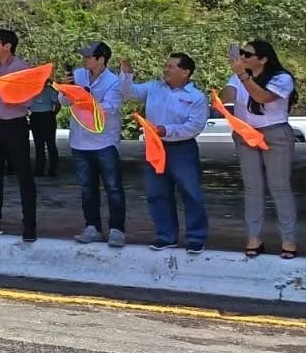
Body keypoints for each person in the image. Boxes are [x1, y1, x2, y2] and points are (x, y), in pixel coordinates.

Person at [121, 52, 209, 254]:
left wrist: (166, 130)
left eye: (171, 66)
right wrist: (126, 74)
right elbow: (129, 93)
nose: (166, 70)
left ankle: (196, 238)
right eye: (166, 66)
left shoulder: (196, 97)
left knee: (191, 193)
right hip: (155, 147)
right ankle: (166, 236)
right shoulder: (154, 87)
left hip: (182, 148)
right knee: (157, 193)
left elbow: (194, 127)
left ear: (186, 72)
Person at [221, 39, 298, 259]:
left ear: (263, 59)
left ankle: (288, 241)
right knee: (253, 188)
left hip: (274, 133)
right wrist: (232, 79)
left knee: (279, 187)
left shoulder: (281, 78)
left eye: (247, 54)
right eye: (241, 53)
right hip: (246, 134)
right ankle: (254, 238)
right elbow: (228, 96)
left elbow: (262, 97)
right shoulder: (239, 74)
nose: (243, 57)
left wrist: (243, 76)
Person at [0, 29, 39, 242]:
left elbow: (30, 99)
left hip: (15, 126)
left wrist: (12, 95)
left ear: (7, 45)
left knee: (24, 176)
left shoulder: (22, 69)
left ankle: (29, 225)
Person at [64, 41, 127, 248]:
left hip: (105, 141)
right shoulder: (78, 74)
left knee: (113, 187)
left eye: (89, 56)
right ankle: (92, 227)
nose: (85, 60)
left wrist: (82, 99)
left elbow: (109, 107)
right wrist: (66, 90)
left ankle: (117, 229)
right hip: (79, 140)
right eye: (84, 56)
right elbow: (63, 102)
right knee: (86, 188)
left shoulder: (114, 81)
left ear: (101, 59)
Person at [28, 79, 59, 177]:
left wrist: (53, 114)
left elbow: (58, 103)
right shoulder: (31, 90)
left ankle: (52, 169)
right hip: (36, 117)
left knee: (50, 144)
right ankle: (39, 169)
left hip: (47, 116)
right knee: (39, 145)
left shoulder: (49, 90)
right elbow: (27, 105)